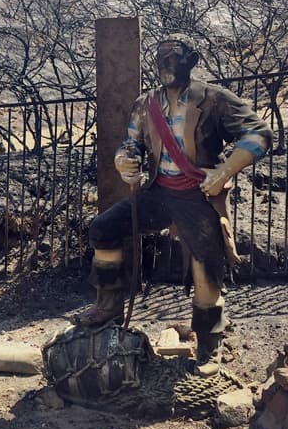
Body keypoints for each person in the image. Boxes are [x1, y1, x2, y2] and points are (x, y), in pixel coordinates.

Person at [77, 35, 273, 367]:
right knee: (103, 228)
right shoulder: (145, 104)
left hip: (197, 195)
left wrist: (224, 171)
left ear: (191, 60)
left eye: (174, 57)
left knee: (204, 263)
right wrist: (124, 161)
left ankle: (209, 341)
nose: (166, 64)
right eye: (161, 58)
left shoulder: (213, 100)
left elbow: (259, 134)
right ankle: (108, 305)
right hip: (157, 192)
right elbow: (131, 144)